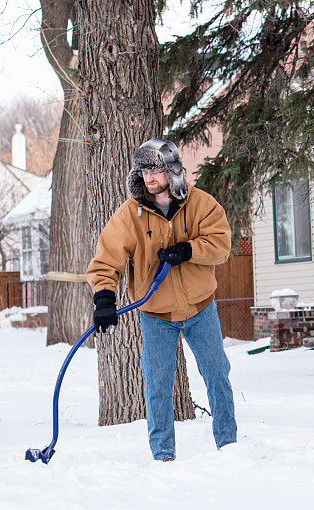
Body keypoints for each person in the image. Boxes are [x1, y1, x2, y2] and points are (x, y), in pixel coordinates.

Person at [86, 138, 237, 462]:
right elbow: (106, 260)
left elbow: (221, 244)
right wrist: (104, 298)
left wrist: (190, 250)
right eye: (142, 171)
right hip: (156, 315)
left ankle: (229, 447)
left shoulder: (201, 204)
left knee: (216, 375)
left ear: (171, 170)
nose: (148, 177)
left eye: (154, 170)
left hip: (200, 307)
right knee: (157, 385)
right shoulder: (130, 215)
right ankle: (163, 455)